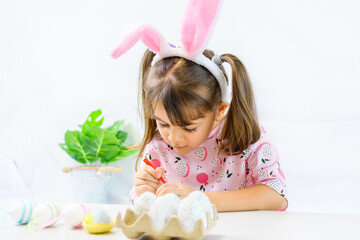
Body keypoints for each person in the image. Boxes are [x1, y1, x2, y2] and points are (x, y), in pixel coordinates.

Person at [111, 0, 287, 212]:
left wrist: (199, 199)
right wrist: (144, 193)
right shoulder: (158, 148)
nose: (174, 138)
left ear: (220, 111)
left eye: (189, 127)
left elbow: (276, 196)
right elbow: (145, 209)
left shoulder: (248, 140)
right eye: (163, 124)